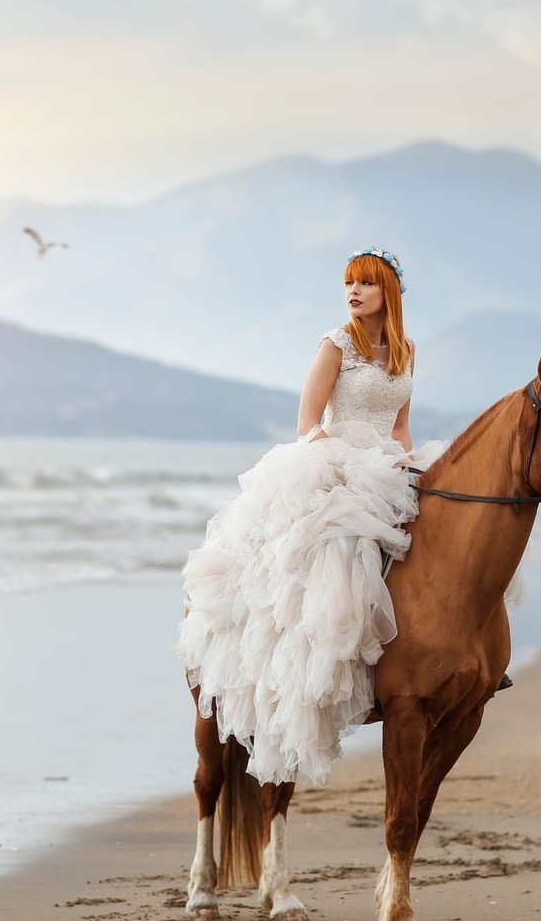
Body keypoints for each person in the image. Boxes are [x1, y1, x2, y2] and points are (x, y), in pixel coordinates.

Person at [176, 247, 434, 787]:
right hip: (333, 458)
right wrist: (346, 463)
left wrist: (403, 461)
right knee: (338, 548)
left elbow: (401, 426)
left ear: (389, 291)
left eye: (365, 283)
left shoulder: (407, 351)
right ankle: (324, 660)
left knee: (443, 535)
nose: (353, 292)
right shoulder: (335, 344)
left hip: (388, 463)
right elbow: (308, 422)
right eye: (348, 283)